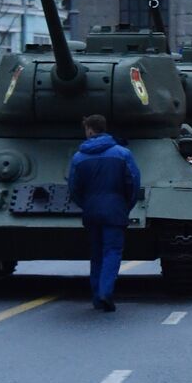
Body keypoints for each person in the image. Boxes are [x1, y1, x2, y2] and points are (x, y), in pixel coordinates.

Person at [67, 114, 141, 312]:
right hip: (115, 208)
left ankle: (96, 296)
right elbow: (133, 183)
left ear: (90, 130)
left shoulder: (78, 157)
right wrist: (125, 205)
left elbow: (73, 187)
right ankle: (105, 292)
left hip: (91, 210)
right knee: (112, 251)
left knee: (97, 253)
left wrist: (86, 204)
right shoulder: (122, 153)